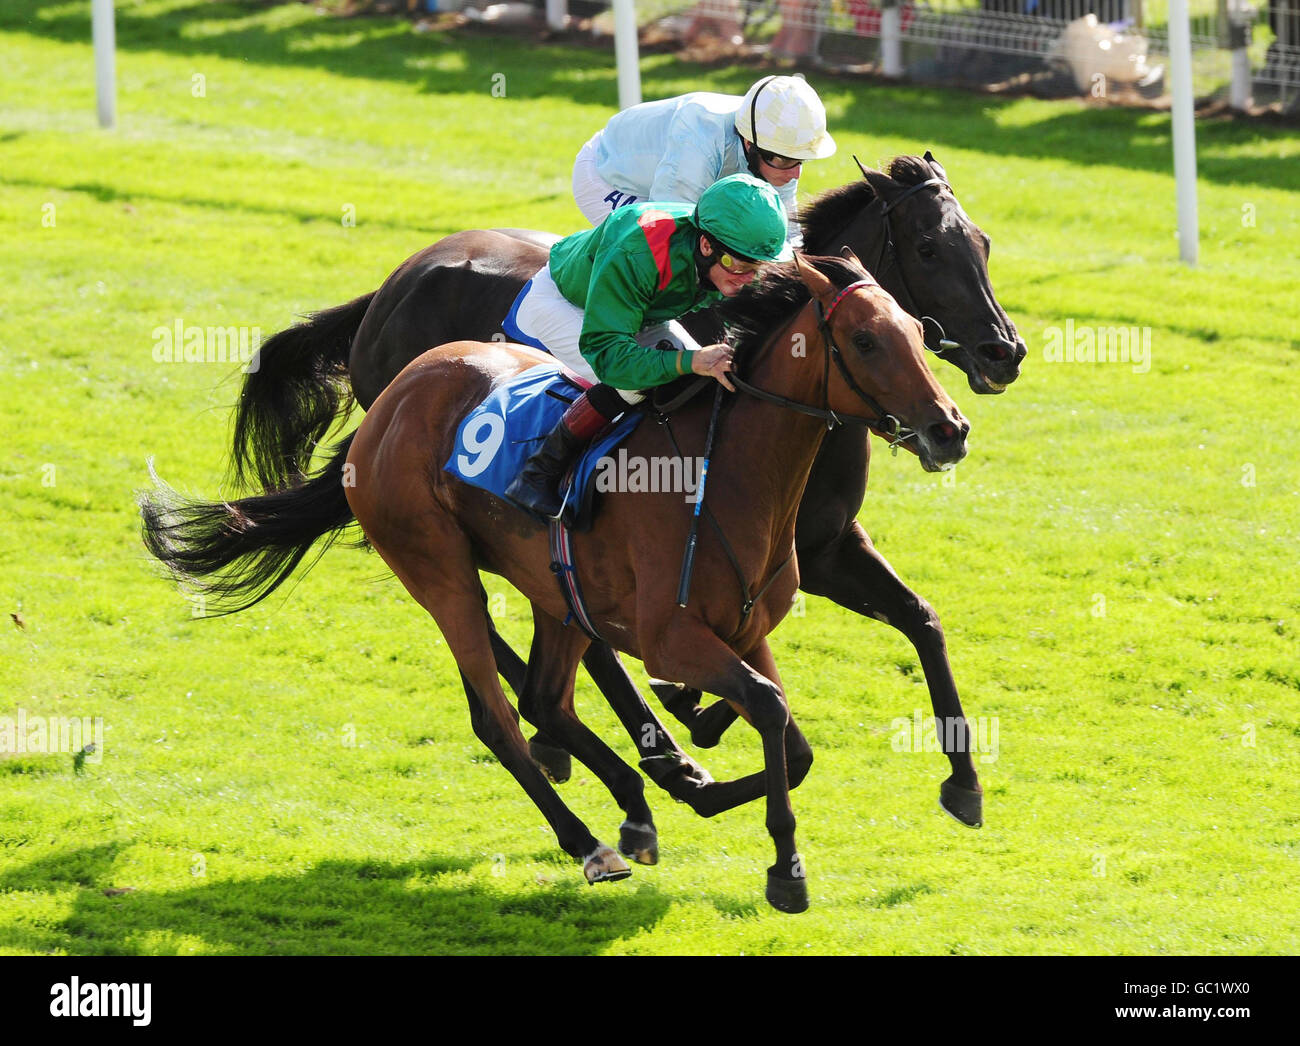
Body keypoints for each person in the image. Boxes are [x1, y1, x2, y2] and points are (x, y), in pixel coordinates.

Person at [502, 173, 790, 521]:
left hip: (642, 310)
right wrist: (691, 359)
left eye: (755, 267)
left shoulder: (732, 246)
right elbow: (610, 358)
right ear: (706, 246)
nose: (747, 277)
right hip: (566, 302)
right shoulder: (638, 251)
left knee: (704, 381)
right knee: (639, 380)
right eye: (738, 265)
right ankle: (536, 476)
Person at [569, 75, 837, 250]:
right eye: (785, 160)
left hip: (663, 168)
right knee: (661, 253)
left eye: (801, 160)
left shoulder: (775, 145)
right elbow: (668, 227)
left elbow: (787, 234)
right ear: (749, 144)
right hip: (604, 175)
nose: (796, 174)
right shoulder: (698, 139)